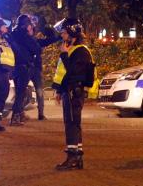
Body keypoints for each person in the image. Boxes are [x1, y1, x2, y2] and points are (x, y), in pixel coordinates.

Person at [51, 17, 96, 171]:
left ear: (72, 34)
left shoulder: (81, 51)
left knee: (71, 124)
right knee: (74, 123)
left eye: (64, 33)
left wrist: (64, 55)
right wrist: (59, 89)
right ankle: (77, 157)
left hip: (74, 92)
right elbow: (63, 74)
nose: (62, 36)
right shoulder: (72, 49)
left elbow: (74, 73)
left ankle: (72, 158)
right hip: (68, 91)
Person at [8, 14, 42, 126]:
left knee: (19, 91)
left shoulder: (12, 34)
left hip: (14, 66)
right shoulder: (26, 36)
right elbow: (36, 48)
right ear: (26, 25)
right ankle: (16, 116)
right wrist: (31, 35)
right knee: (20, 93)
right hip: (24, 66)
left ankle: (20, 114)